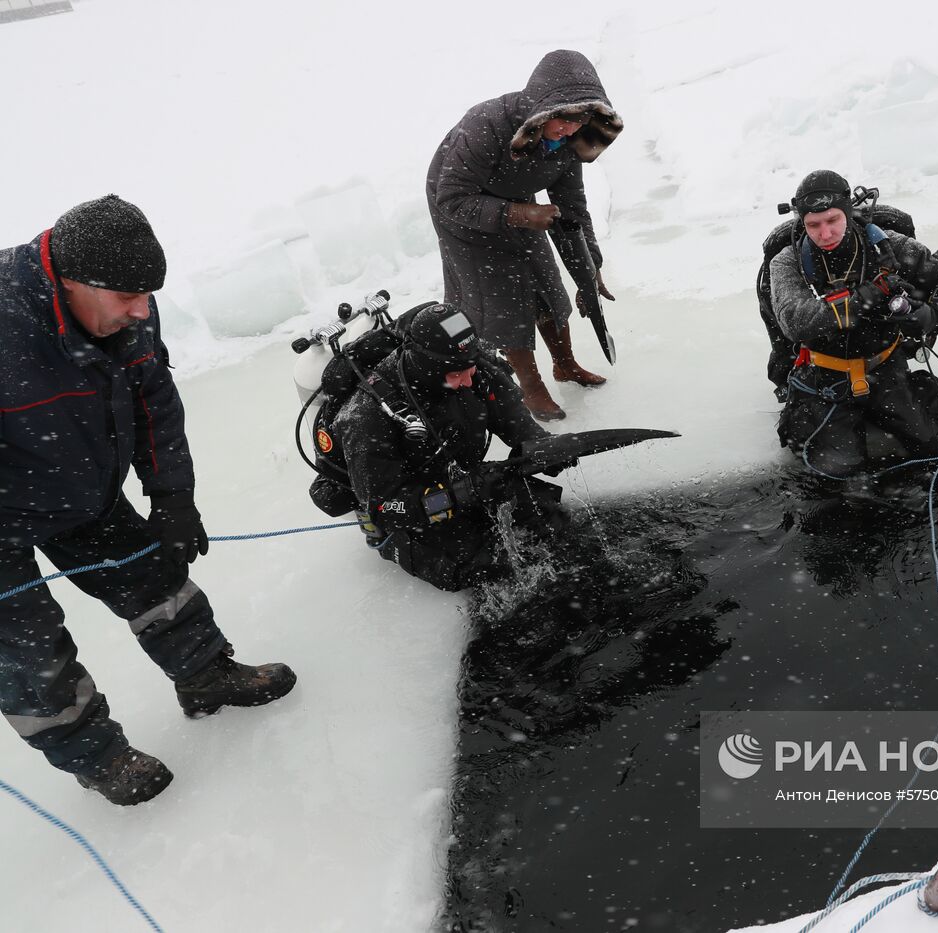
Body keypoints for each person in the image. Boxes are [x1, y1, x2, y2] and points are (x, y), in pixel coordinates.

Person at [0, 196, 296, 806]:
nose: (141, 312)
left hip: (81, 486)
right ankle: (97, 758)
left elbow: (152, 401)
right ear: (71, 282)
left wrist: (172, 498)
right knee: (28, 654)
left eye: (147, 296)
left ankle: (205, 676)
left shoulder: (130, 309)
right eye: (126, 298)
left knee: (156, 574)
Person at [426, 49, 624, 422]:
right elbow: (451, 198)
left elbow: (572, 211)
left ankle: (565, 365)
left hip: (517, 200)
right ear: (542, 109)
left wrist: (590, 268)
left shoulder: (567, 143)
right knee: (504, 298)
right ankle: (531, 388)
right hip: (459, 208)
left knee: (543, 280)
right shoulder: (484, 126)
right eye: (562, 120)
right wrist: (516, 213)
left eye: (579, 121)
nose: (569, 129)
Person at [327, 302, 566, 592]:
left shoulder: (471, 367)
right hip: (412, 512)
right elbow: (385, 507)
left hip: (461, 478)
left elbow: (516, 422)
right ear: (428, 367)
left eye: (471, 368)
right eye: (456, 374)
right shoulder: (367, 416)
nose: (468, 380)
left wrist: (544, 448)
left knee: (551, 518)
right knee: (482, 566)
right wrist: (461, 494)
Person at [764, 170, 938, 477]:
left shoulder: (890, 247)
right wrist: (863, 299)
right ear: (801, 223)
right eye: (813, 225)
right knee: (836, 475)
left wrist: (933, 316)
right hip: (823, 377)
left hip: (885, 369)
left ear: (848, 213)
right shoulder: (787, 261)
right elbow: (796, 322)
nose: (825, 233)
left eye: (833, 220)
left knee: (933, 456)